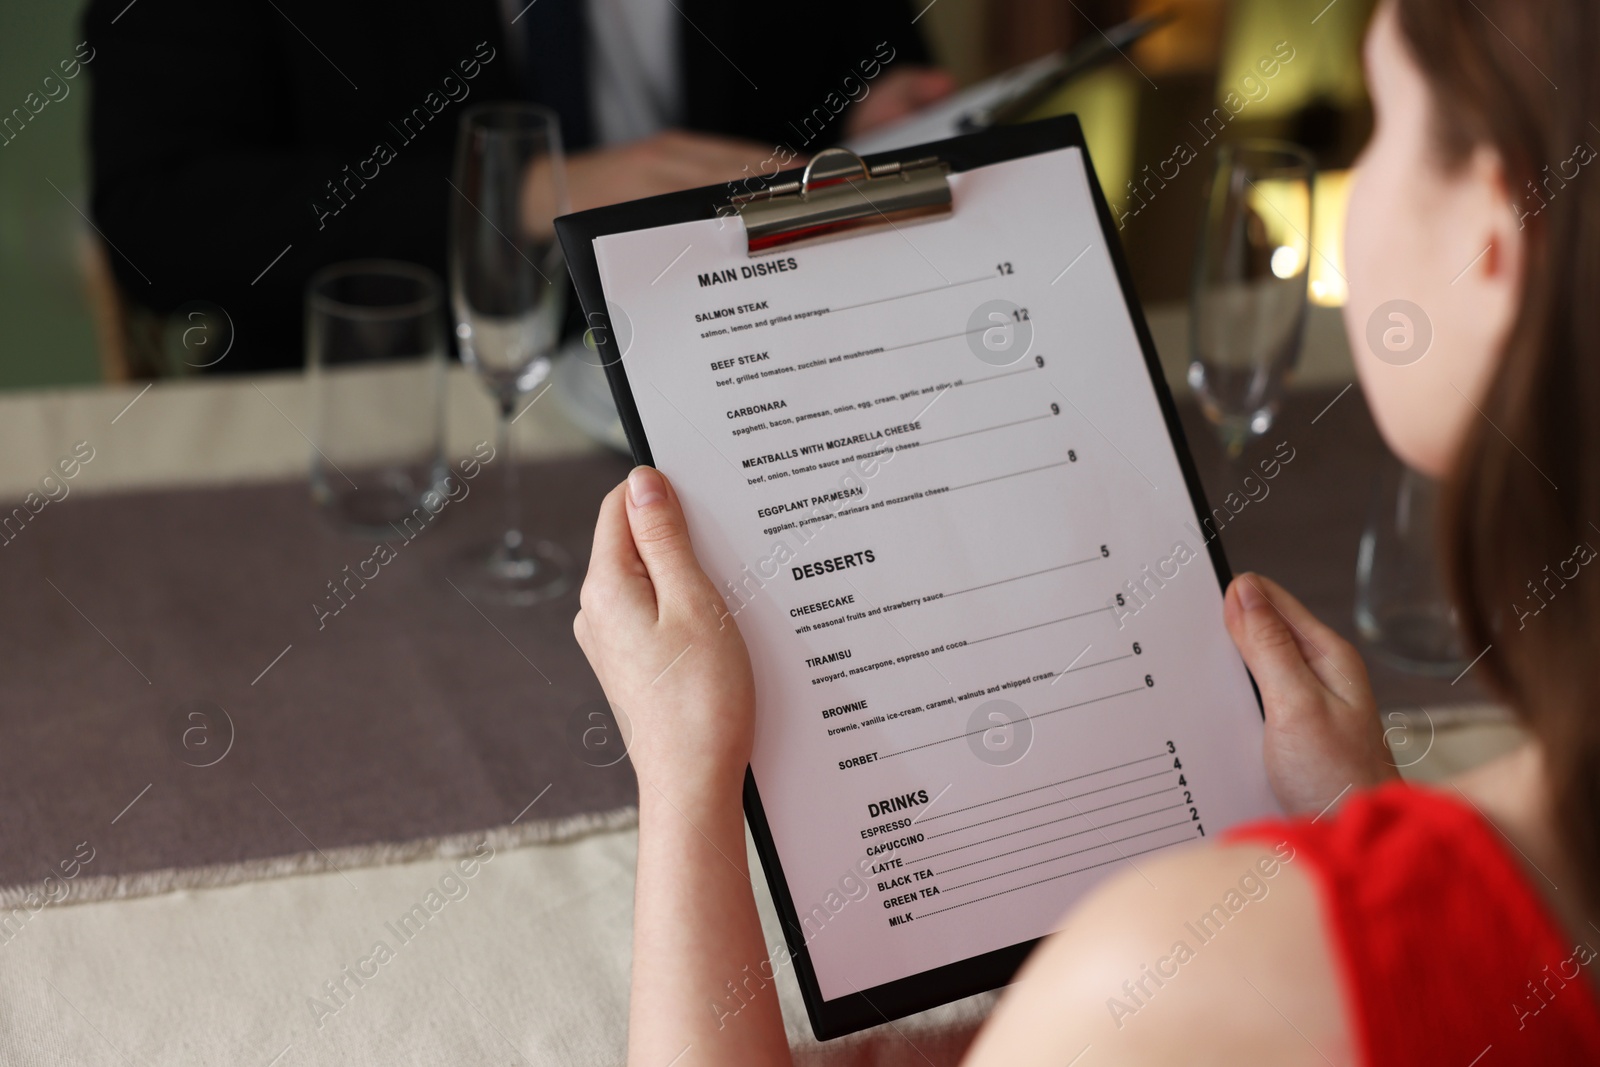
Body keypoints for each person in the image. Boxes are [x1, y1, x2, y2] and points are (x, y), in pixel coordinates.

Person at [571, 0, 1600, 1062]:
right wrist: (1366, 821)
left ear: (1492, 237)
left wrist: (688, 772)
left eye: (1380, 120)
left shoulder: (1181, 978)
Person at [81, 0, 952, 373]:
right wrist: (523, 195)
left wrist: (876, 113)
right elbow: (158, 216)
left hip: (761, 353)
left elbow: (862, 52)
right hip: (399, 407)